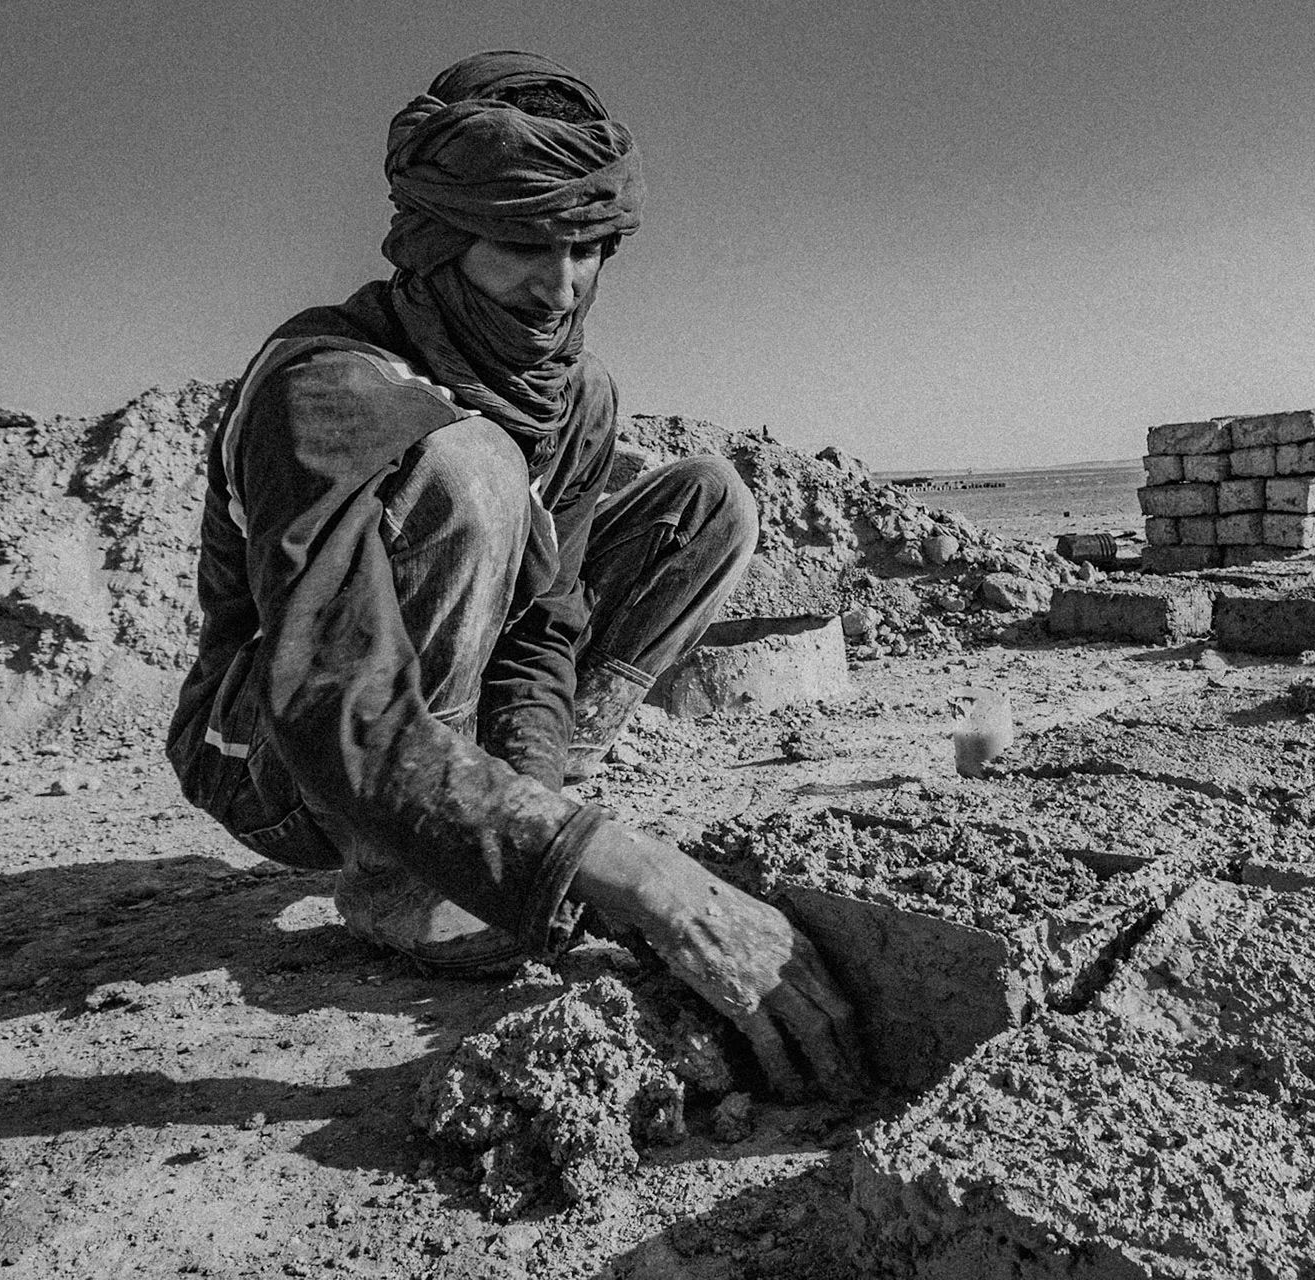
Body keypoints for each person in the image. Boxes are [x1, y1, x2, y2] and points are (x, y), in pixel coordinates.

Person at [166, 51, 859, 1100]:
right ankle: (400, 877)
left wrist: (541, 815)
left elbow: (546, 624)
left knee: (708, 503)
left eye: (589, 246)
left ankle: (506, 816)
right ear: (440, 243)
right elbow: (334, 704)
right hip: (279, 744)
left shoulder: (572, 395)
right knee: (471, 465)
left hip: (442, 697)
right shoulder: (328, 384)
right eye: (526, 243)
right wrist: (640, 875)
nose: (565, 281)